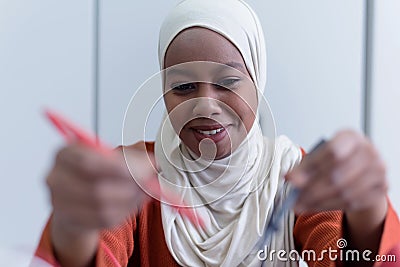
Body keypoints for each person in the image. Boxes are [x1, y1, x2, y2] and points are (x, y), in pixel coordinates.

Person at [35, 0, 400, 266]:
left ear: (258, 82)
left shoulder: (296, 177)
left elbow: (352, 256)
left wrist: (367, 210)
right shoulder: (135, 176)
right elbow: (90, 252)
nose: (206, 105)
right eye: (183, 88)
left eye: (227, 82)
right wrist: (74, 224)